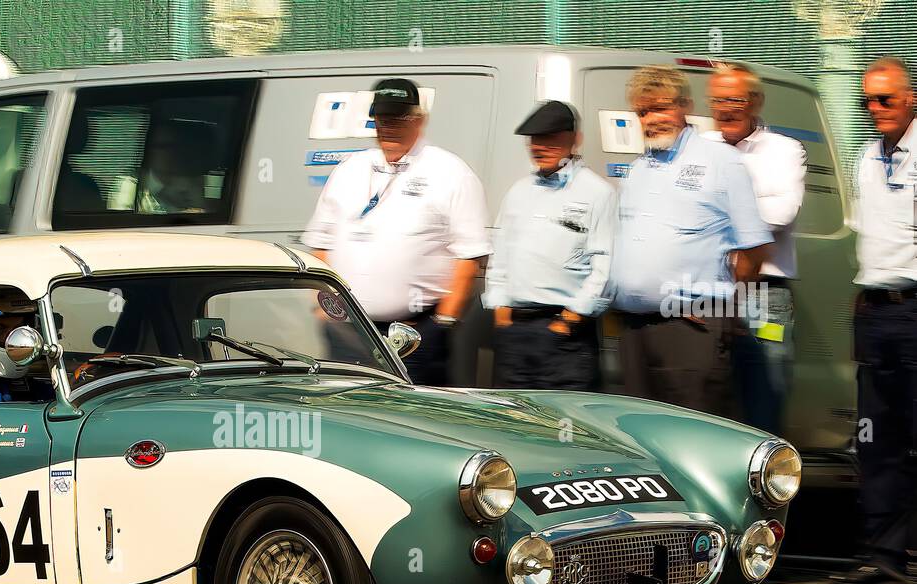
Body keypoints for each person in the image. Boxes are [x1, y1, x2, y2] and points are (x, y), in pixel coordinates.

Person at [303, 77, 492, 385]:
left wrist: (443, 323)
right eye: (381, 117)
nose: (388, 125)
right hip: (350, 332)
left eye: (398, 117)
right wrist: (324, 307)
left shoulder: (450, 172)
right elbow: (321, 244)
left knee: (413, 423)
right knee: (351, 418)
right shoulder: (349, 169)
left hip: (414, 335)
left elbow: (469, 257)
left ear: (419, 120)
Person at [610, 65, 773, 416]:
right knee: (641, 440)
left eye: (660, 107)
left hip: (690, 328)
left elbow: (754, 247)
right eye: (642, 111)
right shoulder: (637, 170)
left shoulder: (721, 161)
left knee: (691, 437)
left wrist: (721, 310)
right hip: (635, 330)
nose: (650, 118)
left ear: (684, 105)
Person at [837, 56, 917, 584]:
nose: (874, 109)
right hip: (876, 309)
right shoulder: (868, 155)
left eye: (885, 99)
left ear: (911, 98)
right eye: (867, 100)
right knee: (876, 436)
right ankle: (882, 552)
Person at [705, 63, 806, 435]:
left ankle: (766, 489)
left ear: (756, 101)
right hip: (707, 297)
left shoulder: (784, 149)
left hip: (765, 301)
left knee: (763, 410)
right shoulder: (699, 150)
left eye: (735, 98)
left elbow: (782, 212)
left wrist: (716, 213)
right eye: (717, 99)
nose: (725, 108)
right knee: (708, 411)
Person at [487, 100, 616, 390]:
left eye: (550, 138)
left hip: (565, 335)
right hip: (515, 333)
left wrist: (568, 321)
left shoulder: (597, 193)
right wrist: (501, 313)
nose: (540, 146)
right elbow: (501, 255)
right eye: (535, 139)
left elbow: (604, 266)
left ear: (575, 139)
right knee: (514, 423)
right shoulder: (519, 191)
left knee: (568, 424)